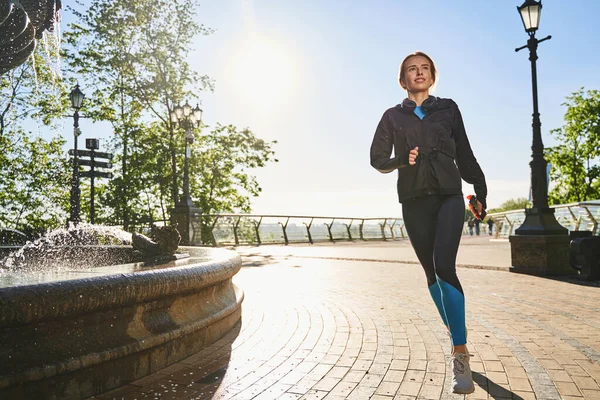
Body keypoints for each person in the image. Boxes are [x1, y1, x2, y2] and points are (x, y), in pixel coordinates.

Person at [370, 51, 487, 395]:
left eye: (424, 68)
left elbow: (464, 152)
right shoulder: (392, 116)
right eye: (411, 70)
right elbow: (377, 159)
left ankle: (460, 353)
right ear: (403, 79)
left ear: (432, 76)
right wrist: (399, 161)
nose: (418, 73)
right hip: (413, 199)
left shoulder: (448, 108)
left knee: (444, 265)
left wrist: (479, 190)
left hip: (450, 195)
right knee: (430, 273)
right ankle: (456, 335)